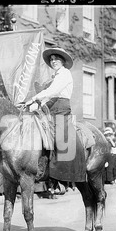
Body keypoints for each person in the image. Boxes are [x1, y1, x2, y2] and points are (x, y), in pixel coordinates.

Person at [24, 46, 86, 184]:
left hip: (61, 109)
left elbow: (53, 91)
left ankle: (61, 177)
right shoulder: (54, 77)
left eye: (56, 58)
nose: (53, 61)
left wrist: (34, 99)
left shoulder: (65, 74)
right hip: (50, 107)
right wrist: (31, 106)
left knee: (60, 138)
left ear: (63, 61)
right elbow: (48, 97)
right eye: (51, 59)